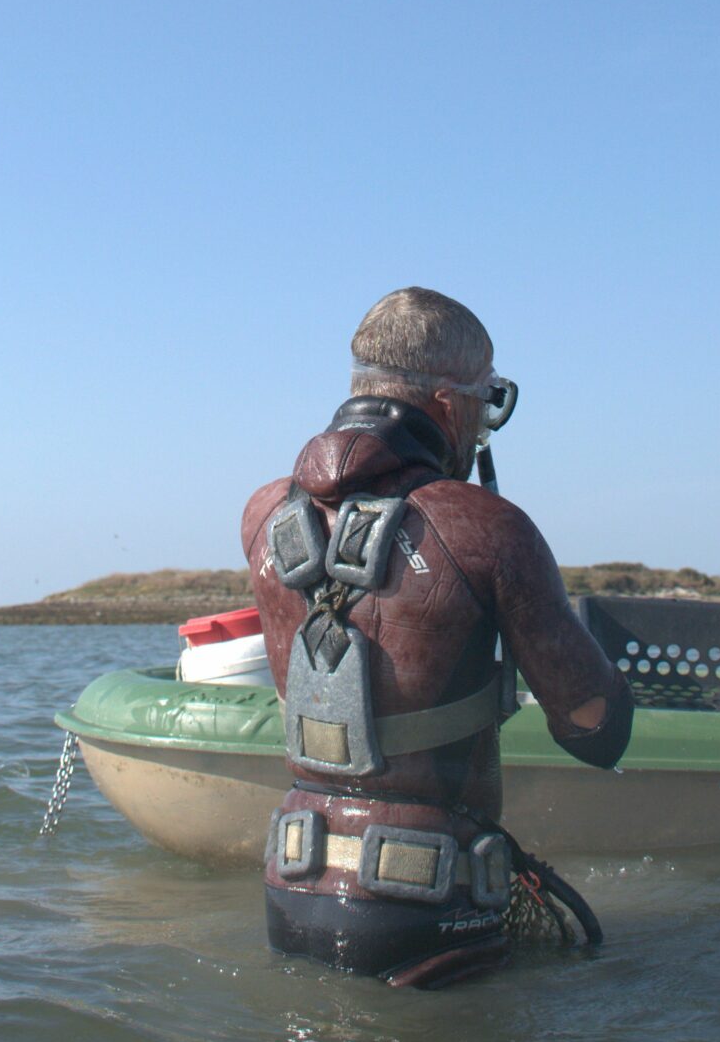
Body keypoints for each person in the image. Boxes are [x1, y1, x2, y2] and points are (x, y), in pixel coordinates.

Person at [240, 287, 633, 988]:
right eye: (487, 401)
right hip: (429, 912)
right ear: (451, 405)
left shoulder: (264, 514)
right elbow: (597, 731)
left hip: (291, 890)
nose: (483, 423)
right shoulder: (486, 525)